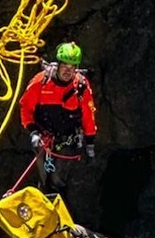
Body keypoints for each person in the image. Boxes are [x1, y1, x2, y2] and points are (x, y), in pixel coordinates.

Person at [19, 41, 97, 200]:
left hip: (66, 140)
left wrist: (90, 142)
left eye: (72, 68)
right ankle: (44, 207)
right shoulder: (41, 81)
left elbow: (88, 114)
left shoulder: (80, 85)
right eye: (65, 67)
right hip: (43, 138)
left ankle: (57, 210)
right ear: (58, 64)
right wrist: (33, 132)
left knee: (57, 180)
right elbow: (26, 108)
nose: (68, 71)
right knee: (43, 178)